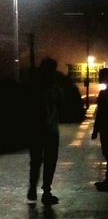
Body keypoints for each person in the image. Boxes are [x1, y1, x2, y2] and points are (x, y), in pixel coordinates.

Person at [27, 57, 61, 205]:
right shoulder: (52, 88)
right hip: (49, 130)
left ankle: (33, 189)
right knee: (49, 161)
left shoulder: (35, 87)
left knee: (36, 161)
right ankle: (46, 191)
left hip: (37, 131)